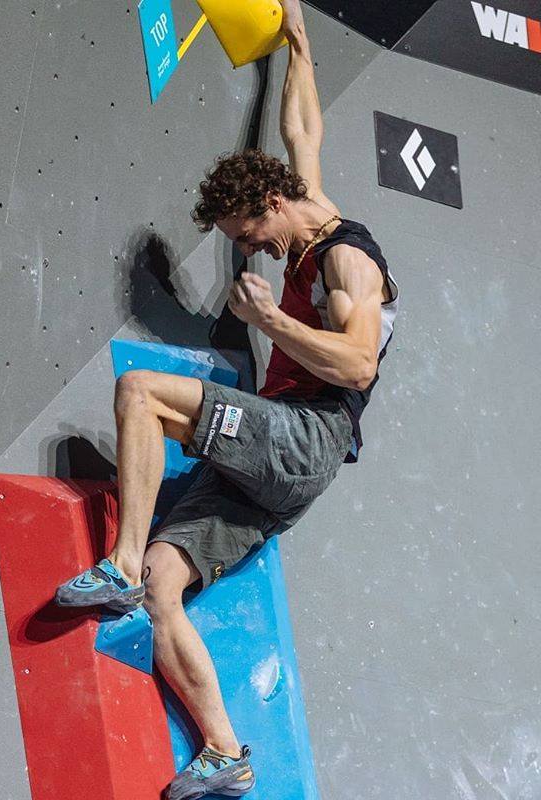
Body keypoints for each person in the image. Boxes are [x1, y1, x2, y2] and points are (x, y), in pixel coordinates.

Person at [54, 1, 399, 797]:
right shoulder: (300, 202)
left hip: (303, 436)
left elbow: (355, 367)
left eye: (246, 234)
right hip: (269, 468)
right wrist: (297, 43)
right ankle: (225, 752)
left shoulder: (350, 264)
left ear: (270, 207)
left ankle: (115, 562)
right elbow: (300, 127)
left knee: (140, 393)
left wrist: (272, 319)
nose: (249, 250)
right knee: (163, 588)